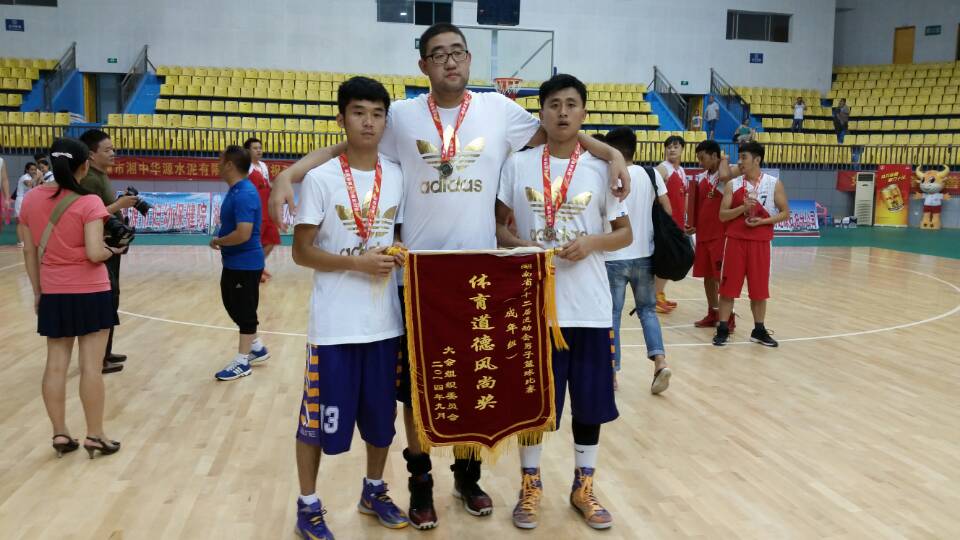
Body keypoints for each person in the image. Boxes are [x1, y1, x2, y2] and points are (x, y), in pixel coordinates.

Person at [268, 22, 632, 530]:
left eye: (458, 52)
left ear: (469, 59)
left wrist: (610, 153)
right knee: (417, 389)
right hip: (417, 277)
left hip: (480, 275)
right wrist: (290, 173)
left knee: (476, 377)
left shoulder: (498, 110)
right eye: (438, 54)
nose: (450, 61)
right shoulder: (401, 115)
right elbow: (349, 146)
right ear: (423, 65)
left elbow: (559, 129)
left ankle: (467, 476)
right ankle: (420, 482)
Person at [495, 74, 631, 531]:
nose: (563, 112)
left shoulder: (600, 168)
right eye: (554, 104)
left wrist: (591, 243)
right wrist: (519, 245)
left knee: (589, 406)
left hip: (589, 308)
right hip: (533, 307)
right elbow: (497, 226)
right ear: (542, 112)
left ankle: (583, 486)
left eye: (572, 104)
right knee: (533, 405)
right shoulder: (518, 164)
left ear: (584, 113)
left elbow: (624, 233)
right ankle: (530, 485)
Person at [290, 76, 409, 540]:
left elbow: (396, 233)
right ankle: (308, 504)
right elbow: (302, 252)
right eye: (359, 112)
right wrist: (356, 263)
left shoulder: (396, 175)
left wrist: (396, 251)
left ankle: (373, 490)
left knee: (382, 421)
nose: (369, 122)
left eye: (377, 114)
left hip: (384, 324)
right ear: (341, 118)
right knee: (316, 423)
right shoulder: (320, 179)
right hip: (335, 328)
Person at [17, 138, 124, 460]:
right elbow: (94, 252)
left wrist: (39, 291)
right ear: (84, 165)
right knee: (91, 367)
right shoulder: (89, 202)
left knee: (55, 365)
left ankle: (60, 433)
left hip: (54, 291)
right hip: (91, 291)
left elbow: (29, 252)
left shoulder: (31, 199)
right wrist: (112, 250)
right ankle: (95, 435)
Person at [601, 128, 672, 394]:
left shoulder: (608, 176)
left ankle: (611, 373)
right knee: (648, 311)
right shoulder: (651, 175)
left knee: (612, 316)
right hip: (644, 255)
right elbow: (667, 209)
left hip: (613, 257)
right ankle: (660, 361)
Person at [713, 141, 789, 347]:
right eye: (739, 157)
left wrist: (763, 222)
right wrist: (742, 208)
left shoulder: (773, 184)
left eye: (744, 157)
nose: (740, 161)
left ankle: (759, 330)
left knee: (759, 290)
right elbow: (722, 215)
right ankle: (722, 329)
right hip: (735, 242)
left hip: (761, 243)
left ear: (757, 160)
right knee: (728, 288)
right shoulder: (733, 184)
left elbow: (785, 213)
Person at [79, 129, 139, 374]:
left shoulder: (101, 176)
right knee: (105, 300)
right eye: (107, 150)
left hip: (111, 245)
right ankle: (98, 358)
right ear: (91, 155)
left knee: (112, 298)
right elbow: (89, 214)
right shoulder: (90, 180)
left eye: (113, 148)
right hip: (101, 245)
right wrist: (118, 205)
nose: (113, 153)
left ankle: (105, 352)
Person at [210, 145, 270, 381]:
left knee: (244, 312)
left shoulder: (244, 193)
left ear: (229, 165)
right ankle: (256, 347)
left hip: (245, 263)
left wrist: (219, 240)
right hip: (234, 262)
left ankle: (242, 361)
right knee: (232, 304)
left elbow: (243, 233)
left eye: (220, 160)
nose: (217, 164)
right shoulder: (236, 190)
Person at [689, 140, 736, 331]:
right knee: (707, 277)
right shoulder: (702, 177)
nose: (700, 162)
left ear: (715, 156)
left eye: (703, 158)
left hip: (720, 235)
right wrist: (692, 225)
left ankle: (728, 316)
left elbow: (724, 176)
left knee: (720, 278)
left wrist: (723, 159)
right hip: (703, 235)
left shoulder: (729, 173)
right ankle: (713, 312)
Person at [653, 135, 688, 313]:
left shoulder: (681, 171)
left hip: (678, 222)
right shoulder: (662, 168)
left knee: (670, 260)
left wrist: (686, 219)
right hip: (666, 223)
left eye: (675, 146)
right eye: (669, 147)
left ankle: (659, 294)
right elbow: (651, 190)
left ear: (682, 149)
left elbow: (684, 196)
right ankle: (655, 297)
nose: (672, 149)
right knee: (667, 260)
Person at [243, 137, 281, 282]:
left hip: (267, 207)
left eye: (260, 148)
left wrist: (278, 190)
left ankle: (258, 265)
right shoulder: (244, 167)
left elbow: (267, 184)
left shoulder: (264, 166)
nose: (259, 150)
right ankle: (253, 270)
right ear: (247, 151)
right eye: (255, 148)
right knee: (255, 242)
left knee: (272, 239)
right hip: (254, 208)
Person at [15, 162, 41, 248]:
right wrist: (37, 177)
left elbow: (36, 188)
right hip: (21, 200)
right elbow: (29, 184)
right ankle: (20, 242)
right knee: (19, 221)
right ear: (27, 170)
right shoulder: (24, 177)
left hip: (28, 200)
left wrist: (39, 179)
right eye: (31, 169)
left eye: (35, 169)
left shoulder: (32, 178)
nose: (34, 171)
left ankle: (27, 240)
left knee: (28, 221)